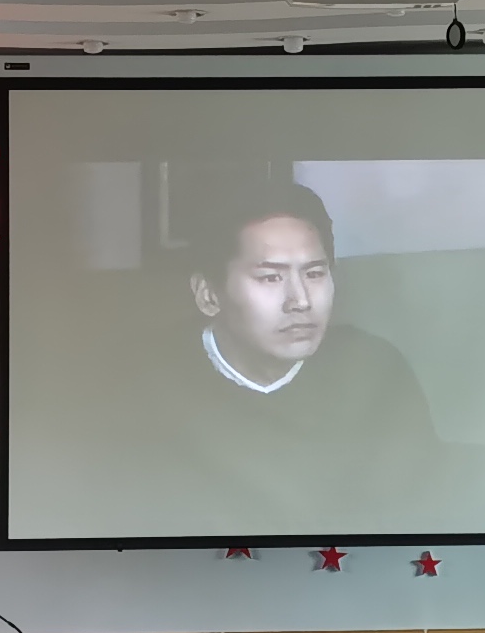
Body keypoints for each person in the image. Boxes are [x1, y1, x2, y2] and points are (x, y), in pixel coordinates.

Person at [142, 170, 440, 525]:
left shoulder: (375, 371)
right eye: (270, 277)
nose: (300, 301)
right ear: (208, 295)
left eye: (314, 274)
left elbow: (418, 514)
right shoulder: (141, 386)